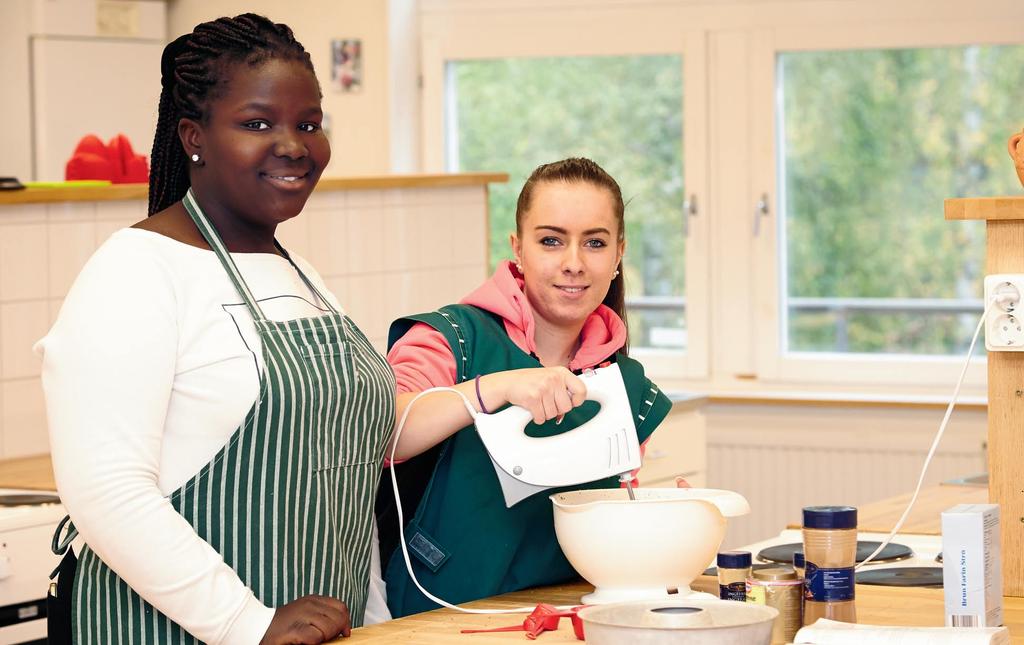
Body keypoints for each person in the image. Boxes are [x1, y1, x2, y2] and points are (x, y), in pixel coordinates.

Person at [35, 14, 394, 644]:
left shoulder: (300, 275)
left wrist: (375, 617)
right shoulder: (135, 271)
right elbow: (107, 491)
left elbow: (345, 472)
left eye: (308, 123)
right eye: (257, 124)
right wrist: (245, 623)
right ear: (194, 136)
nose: (293, 144)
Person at [377, 157, 674, 617]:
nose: (573, 263)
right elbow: (385, 433)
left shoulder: (627, 388)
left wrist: (662, 519)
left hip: (563, 617)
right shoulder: (451, 339)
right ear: (518, 248)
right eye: (551, 241)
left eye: (594, 243)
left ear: (618, 254)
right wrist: (492, 389)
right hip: (437, 616)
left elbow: (611, 533)